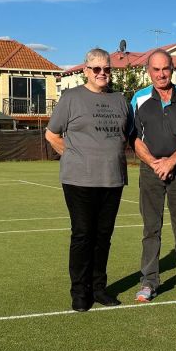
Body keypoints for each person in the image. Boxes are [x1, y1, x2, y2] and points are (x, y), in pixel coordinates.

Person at [45, 48, 131, 312]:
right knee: (83, 235)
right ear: (86, 70)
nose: (102, 73)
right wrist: (75, 157)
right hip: (79, 181)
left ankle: (99, 288)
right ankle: (80, 292)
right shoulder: (71, 98)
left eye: (107, 69)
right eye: (97, 69)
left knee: (103, 236)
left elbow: (125, 136)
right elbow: (51, 135)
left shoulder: (120, 100)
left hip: (113, 180)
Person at [131, 50, 176, 304]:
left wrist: (171, 161)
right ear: (148, 71)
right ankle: (149, 281)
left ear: (173, 68)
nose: (161, 74)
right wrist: (153, 163)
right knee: (151, 229)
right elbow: (134, 138)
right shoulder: (138, 99)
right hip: (150, 171)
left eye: (166, 69)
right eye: (156, 69)